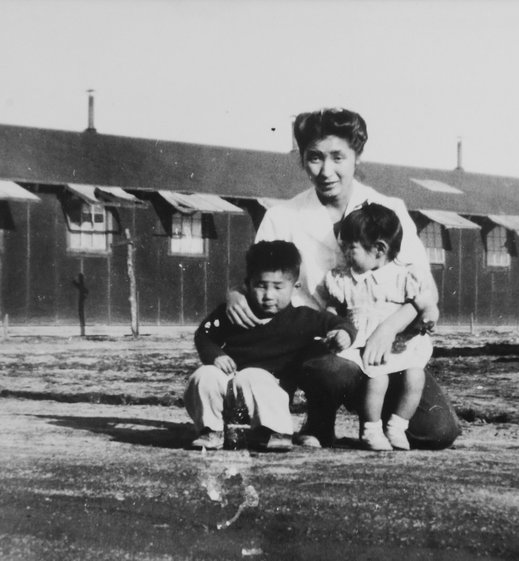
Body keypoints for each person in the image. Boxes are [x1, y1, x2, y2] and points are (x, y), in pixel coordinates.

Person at [226, 107, 460, 450]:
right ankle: (320, 421)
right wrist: (235, 294)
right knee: (330, 369)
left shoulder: (386, 208)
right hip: (325, 349)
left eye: (338, 157)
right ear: (302, 160)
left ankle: (380, 419)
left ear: (357, 157)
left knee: (437, 431)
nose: (326, 170)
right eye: (315, 158)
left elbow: (424, 290)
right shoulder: (283, 217)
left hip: (388, 346)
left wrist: (388, 328)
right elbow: (254, 277)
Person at [184, 240, 356, 451]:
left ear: (295, 287)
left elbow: (339, 323)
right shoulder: (235, 313)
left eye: (278, 287)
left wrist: (343, 333)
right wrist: (215, 355)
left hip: (270, 392)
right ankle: (211, 430)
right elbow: (205, 334)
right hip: (229, 387)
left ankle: (276, 431)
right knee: (204, 374)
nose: (268, 295)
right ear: (247, 284)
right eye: (261, 285)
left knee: (253, 375)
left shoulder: (302, 318)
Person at [316, 203, 439, 451]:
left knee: (416, 376)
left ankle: (397, 427)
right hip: (364, 345)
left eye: (351, 248)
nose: (345, 253)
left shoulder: (405, 276)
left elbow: (427, 303)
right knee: (377, 378)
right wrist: (333, 328)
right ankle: (370, 428)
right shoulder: (344, 280)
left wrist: (430, 317)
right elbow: (333, 309)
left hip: (400, 344)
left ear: (380, 249)